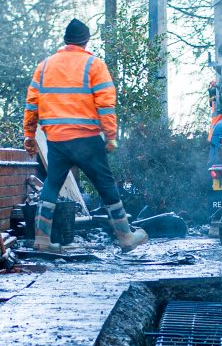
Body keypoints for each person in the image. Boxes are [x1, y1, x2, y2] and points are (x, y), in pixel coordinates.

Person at [23, 19, 147, 252]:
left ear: (65, 40)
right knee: (106, 184)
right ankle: (125, 236)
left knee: (52, 184)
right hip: (87, 139)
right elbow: (105, 104)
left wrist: (29, 136)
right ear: (87, 40)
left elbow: (32, 104)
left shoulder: (45, 66)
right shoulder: (94, 65)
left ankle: (41, 239)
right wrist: (110, 135)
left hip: (57, 140)